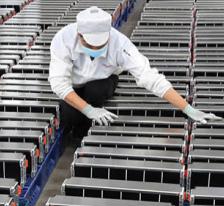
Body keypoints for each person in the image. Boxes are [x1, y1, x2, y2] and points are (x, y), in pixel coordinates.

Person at [49, 6, 222, 139]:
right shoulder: (63, 40)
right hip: (73, 83)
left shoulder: (120, 44)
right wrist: (88, 109)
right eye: (90, 45)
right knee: (68, 113)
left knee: (95, 91)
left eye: (101, 45)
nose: (96, 49)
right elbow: (59, 84)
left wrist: (189, 109)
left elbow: (150, 77)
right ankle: (78, 131)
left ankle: (88, 132)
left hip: (103, 80)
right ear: (80, 35)